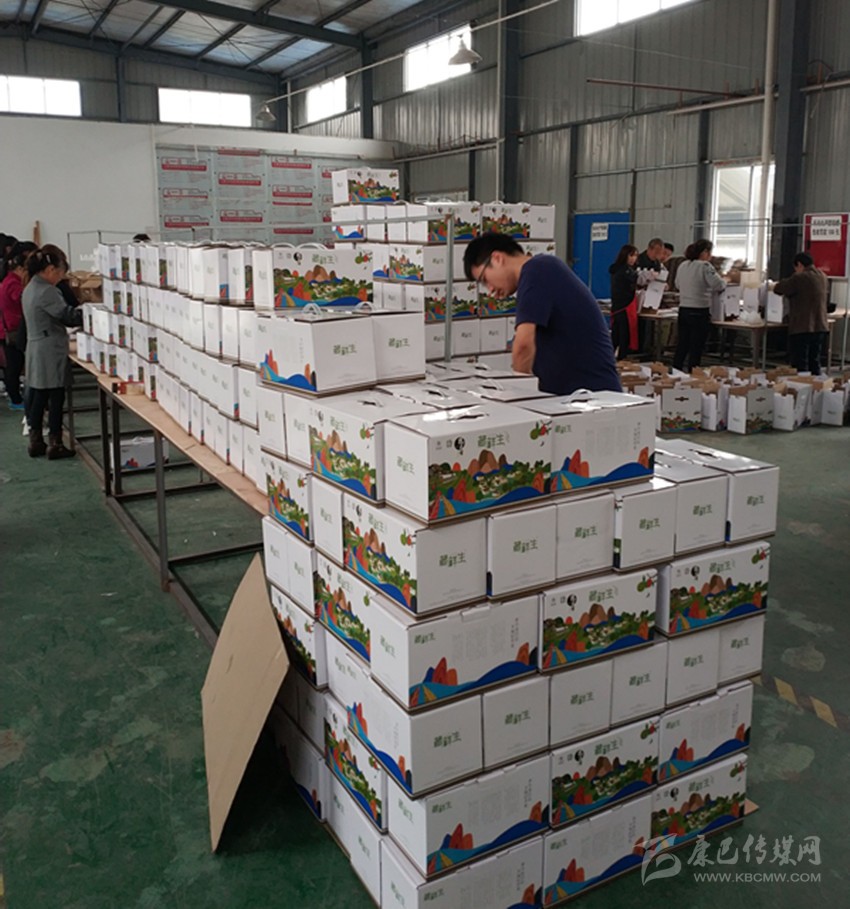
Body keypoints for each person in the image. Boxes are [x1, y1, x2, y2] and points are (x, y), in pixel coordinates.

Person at [463, 232, 622, 395]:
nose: (489, 290)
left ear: (497, 258)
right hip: (576, 397)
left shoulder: (537, 270)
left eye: (485, 280)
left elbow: (523, 345)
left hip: (594, 397)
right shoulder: (539, 272)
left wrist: (518, 396)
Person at [22, 245, 83, 459]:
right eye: (59, 273)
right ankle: (55, 443)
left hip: (36, 345)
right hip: (50, 349)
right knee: (56, 396)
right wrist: (89, 315)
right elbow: (66, 315)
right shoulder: (47, 291)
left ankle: (36, 440)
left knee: (39, 396)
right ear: (49, 270)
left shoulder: (30, 286)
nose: (60, 278)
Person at [673, 238, 726, 372]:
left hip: (684, 309)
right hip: (699, 311)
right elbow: (718, 285)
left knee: (682, 344)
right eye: (710, 252)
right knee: (696, 347)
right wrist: (726, 280)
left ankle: (675, 371)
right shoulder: (705, 266)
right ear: (704, 252)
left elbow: (677, 284)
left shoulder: (683, 265)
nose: (710, 256)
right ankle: (693, 373)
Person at [773, 252, 829, 375]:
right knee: (814, 361)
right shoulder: (822, 276)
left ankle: (802, 384)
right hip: (820, 325)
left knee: (800, 363)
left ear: (799, 264)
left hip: (802, 326)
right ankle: (816, 384)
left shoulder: (799, 278)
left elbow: (779, 288)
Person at [0, 241, 38, 410]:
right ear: (21, 269)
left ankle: (15, 397)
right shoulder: (13, 283)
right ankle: (15, 400)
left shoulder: (9, 280)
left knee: (13, 366)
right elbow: (23, 299)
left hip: (10, 328)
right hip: (12, 329)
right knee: (13, 367)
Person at [608, 244, 639, 359]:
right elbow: (635, 280)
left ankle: (610, 358)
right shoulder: (625, 271)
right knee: (623, 336)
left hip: (617, 306)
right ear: (624, 255)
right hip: (625, 306)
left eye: (635, 256)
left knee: (616, 336)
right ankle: (621, 359)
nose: (633, 258)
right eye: (631, 255)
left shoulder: (616, 269)